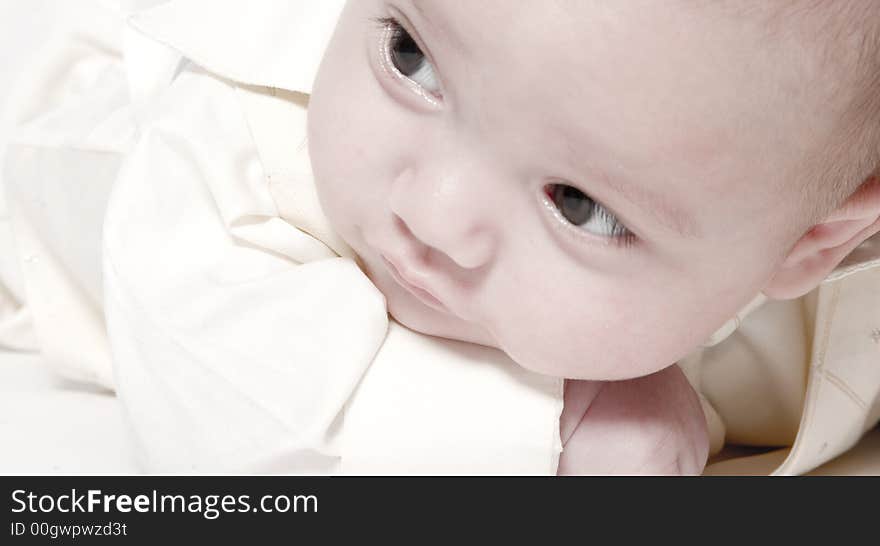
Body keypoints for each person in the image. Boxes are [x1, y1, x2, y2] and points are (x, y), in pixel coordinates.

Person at [2, 0, 879, 475]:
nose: (433, 215)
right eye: (410, 59)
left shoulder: (804, 200)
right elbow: (222, 432)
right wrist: (554, 439)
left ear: (812, 244)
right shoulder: (233, 156)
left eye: (579, 205)